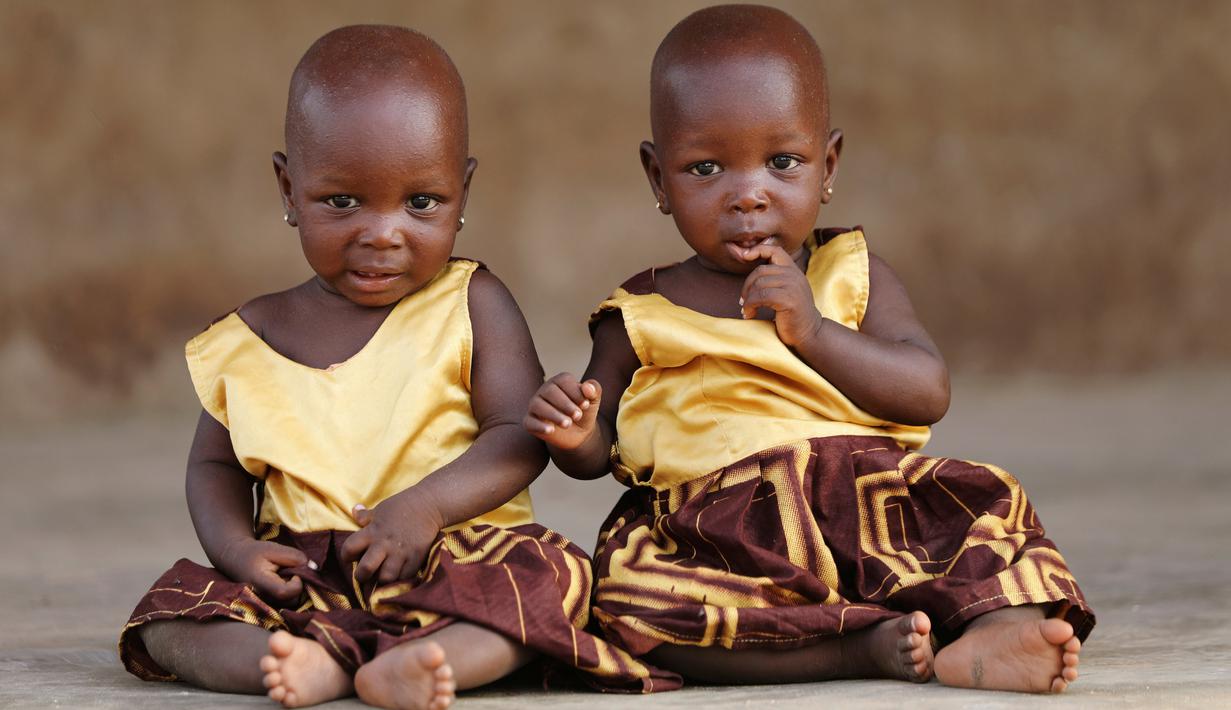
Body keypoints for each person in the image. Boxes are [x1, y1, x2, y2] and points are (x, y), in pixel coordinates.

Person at [525, 4, 1093, 694]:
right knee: (629, 604)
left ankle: (993, 632)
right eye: (705, 168)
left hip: (865, 500)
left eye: (782, 162)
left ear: (827, 166)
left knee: (987, 509)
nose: (747, 196)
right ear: (657, 180)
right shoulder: (638, 315)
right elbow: (600, 455)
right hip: (719, 529)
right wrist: (575, 435)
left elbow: (924, 390)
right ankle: (857, 648)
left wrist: (817, 333)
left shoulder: (851, 273)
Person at [119, 24, 676, 709]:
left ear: (461, 193)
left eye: (420, 203)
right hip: (306, 572)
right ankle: (297, 660)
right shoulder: (250, 334)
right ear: (289, 189)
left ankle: (427, 659)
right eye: (342, 201)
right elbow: (214, 466)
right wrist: (237, 550)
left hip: (450, 552)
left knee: (548, 581)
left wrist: (423, 508)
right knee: (171, 618)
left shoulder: (471, 302)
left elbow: (516, 434)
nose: (382, 233)